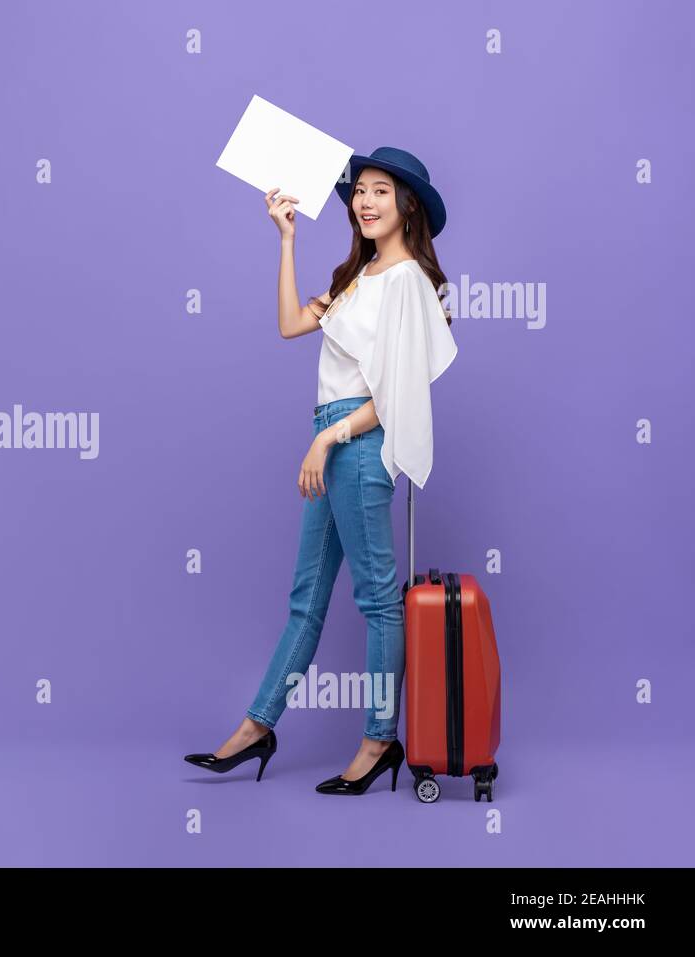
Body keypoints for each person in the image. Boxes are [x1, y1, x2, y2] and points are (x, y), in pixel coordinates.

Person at [184, 147, 459, 795]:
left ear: (407, 205)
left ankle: (378, 739)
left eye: (381, 191)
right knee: (306, 601)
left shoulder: (409, 283)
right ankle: (258, 726)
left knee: (376, 601)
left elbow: (398, 392)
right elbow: (287, 325)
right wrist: (287, 240)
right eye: (359, 191)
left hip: (357, 444)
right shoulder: (356, 278)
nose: (365, 201)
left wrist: (328, 439)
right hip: (329, 439)